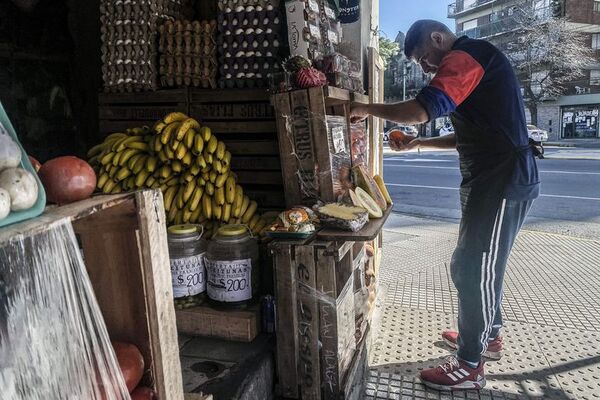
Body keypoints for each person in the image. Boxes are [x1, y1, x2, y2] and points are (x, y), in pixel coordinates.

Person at [350, 20, 539, 391]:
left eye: (423, 58)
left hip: (502, 181)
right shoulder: (475, 63)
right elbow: (468, 135)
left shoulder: (467, 56)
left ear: (438, 38)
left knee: (474, 268)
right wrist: (419, 145)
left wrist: (365, 109)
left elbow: (423, 110)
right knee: (476, 265)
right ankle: (489, 335)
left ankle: (471, 364)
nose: (425, 67)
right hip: (488, 180)